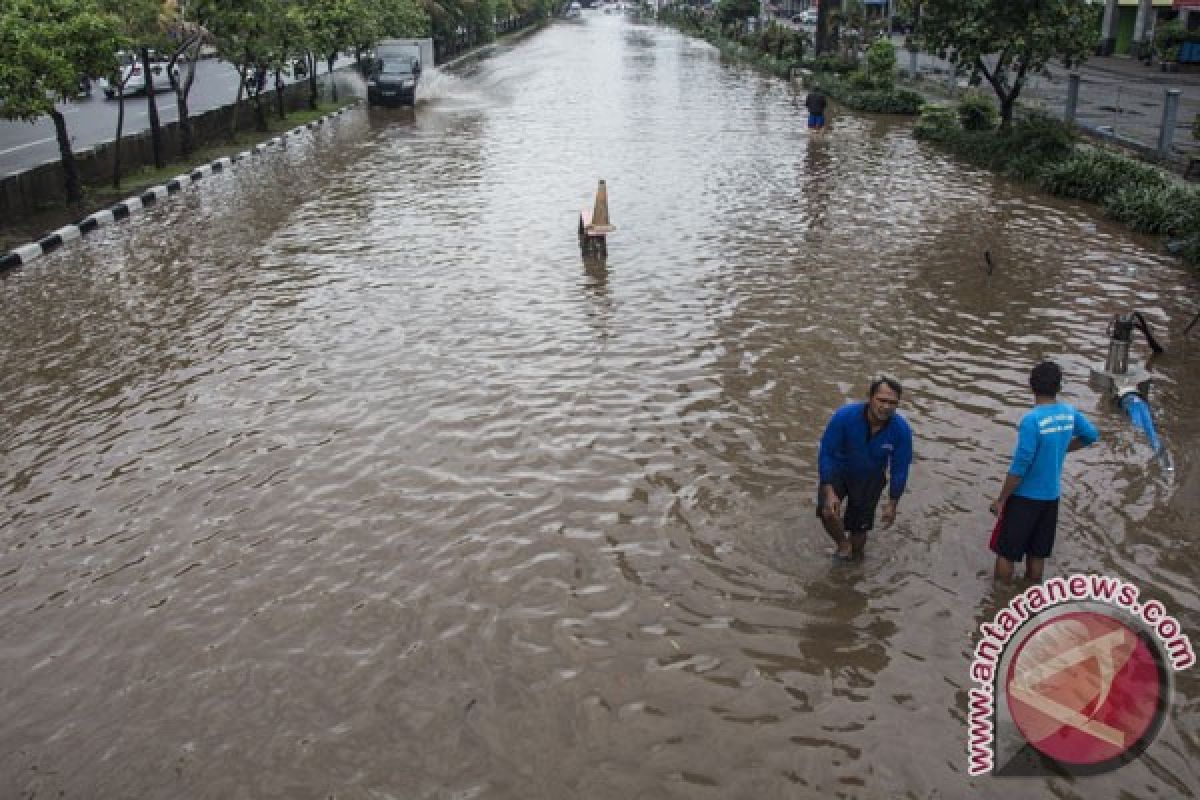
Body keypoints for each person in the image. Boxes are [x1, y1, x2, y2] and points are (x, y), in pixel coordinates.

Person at [989, 362, 1099, 583]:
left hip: (1025, 497)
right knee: (1038, 553)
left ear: (1032, 386)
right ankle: (1031, 597)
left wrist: (1001, 499)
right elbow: (1090, 435)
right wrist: (1061, 448)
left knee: (1007, 552)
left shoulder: (1032, 420)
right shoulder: (1069, 413)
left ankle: (999, 600)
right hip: (1051, 497)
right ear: (1059, 387)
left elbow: (1021, 465)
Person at [817, 376, 913, 561]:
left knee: (859, 531)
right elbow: (827, 451)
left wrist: (893, 503)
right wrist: (828, 489)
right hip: (839, 470)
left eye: (892, 403)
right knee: (827, 511)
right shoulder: (844, 417)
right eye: (882, 400)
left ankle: (856, 557)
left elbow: (900, 468)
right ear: (870, 397)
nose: (886, 407)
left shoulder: (901, 431)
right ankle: (842, 544)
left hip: (870, 477)